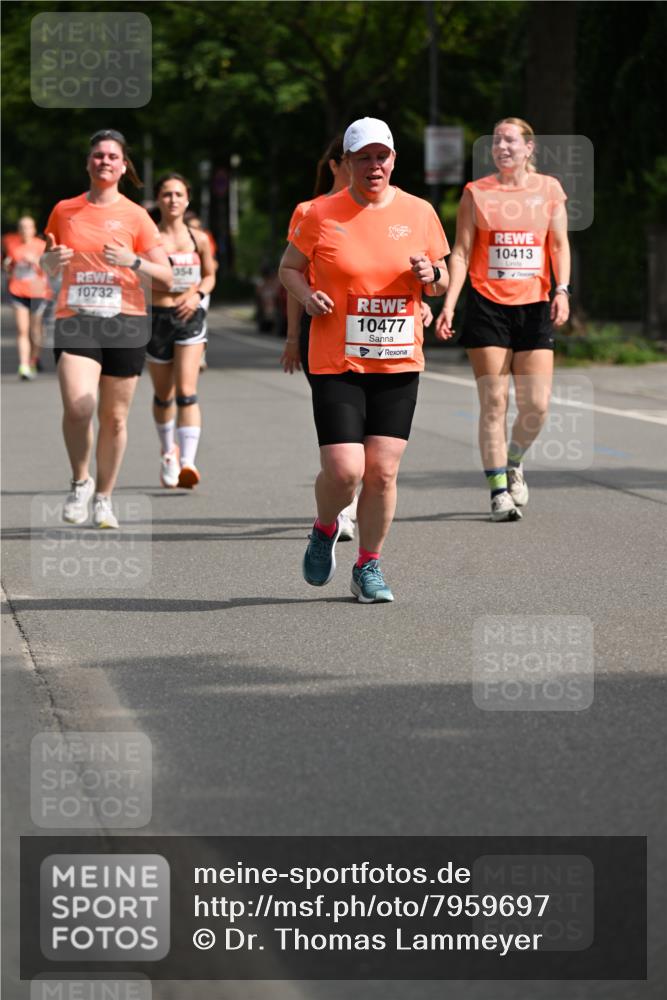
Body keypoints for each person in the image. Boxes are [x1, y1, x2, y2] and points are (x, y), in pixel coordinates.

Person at [279, 117, 449, 603]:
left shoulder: (420, 212)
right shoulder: (320, 213)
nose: (374, 166)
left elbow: (442, 277)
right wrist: (308, 296)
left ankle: (368, 566)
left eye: (382, 157)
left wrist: (431, 275)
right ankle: (324, 526)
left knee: (382, 472)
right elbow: (289, 268)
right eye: (364, 158)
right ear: (347, 163)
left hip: (397, 361)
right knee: (344, 470)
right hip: (338, 360)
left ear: (393, 160)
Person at [436, 117, 570, 521]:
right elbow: (461, 253)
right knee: (494, 401)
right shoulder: (476, 193)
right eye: (496, 141)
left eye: (510, 140)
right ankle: (498, 491)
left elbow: (559, 245)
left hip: (534, 306)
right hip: (487, 307)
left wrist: (562, 290)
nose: (502, 147)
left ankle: (514, 460)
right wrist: (449, 304)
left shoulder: (549, 189)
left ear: (529, 148)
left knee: (537, 405)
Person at [41, 129, 172, 529]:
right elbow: (47, 264)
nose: (105, 161)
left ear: (123, 166)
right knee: (79, 407)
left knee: (114, 419)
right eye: (98, 155)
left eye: (113, 156)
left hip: (125, 322)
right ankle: (80, 481)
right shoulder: (65, 210)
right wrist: (51, 261)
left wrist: (133, 261)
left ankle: (104, 497)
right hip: (76, 318)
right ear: (88, 163)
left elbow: (166, 277)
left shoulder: (137, 216)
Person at [145, 174, 216, 488]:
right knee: (164, 396)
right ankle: (168, 452)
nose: (172, 200)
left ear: (187, 200)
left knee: (187, 392)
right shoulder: (148, 238)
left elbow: (210, 276)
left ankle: (188, 462)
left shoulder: (199, 238)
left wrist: (197, 295)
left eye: (178, 194)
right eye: (166, 194)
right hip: (156, 318)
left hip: (190, 317)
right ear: (158, 199)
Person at [2, 216, 53, 379]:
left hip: (37, 289)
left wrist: (36, 262)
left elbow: (51, 269)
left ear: (34, 229)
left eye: (28, 227)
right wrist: (7, 266)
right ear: (18, 229)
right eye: (22, 227)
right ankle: (23, 365)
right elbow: (8, 265)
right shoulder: (11, 243)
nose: (25, 230)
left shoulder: (41, 245)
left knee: (35, 330)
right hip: (17, 289)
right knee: (22, 329)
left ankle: (33, 360)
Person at [185, 210, 218, 373]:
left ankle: (200, 356)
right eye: (192, 227)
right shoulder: (178, 240)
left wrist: (208, 268)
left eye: (198, 227)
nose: (195, 230)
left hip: (201, 285)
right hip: (182, 288)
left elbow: (213, 263)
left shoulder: (204, 238)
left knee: (199, 316)